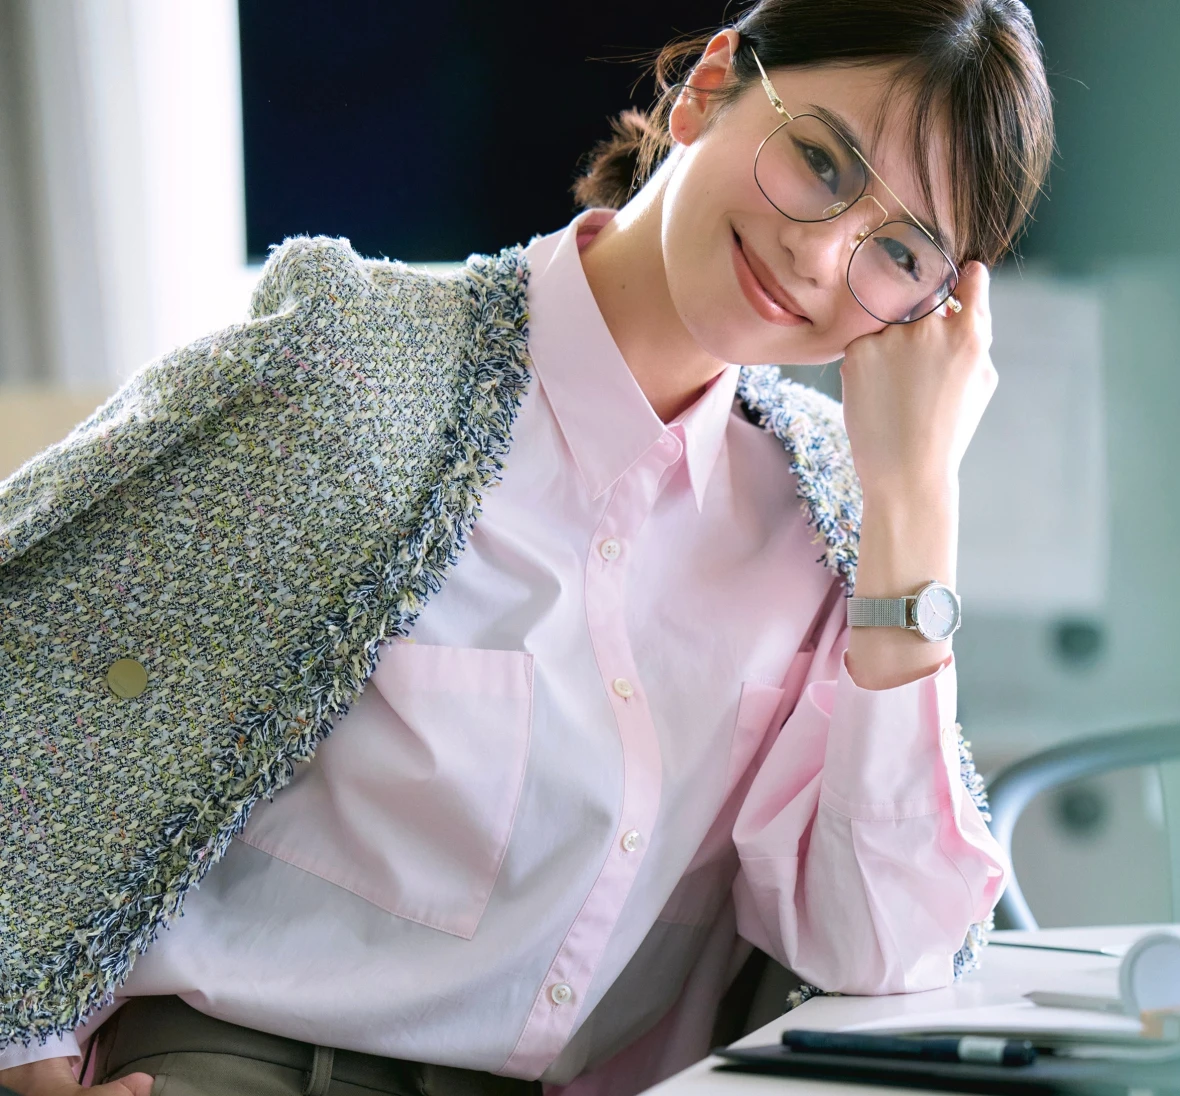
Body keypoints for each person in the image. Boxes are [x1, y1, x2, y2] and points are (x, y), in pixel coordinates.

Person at [0, 1, 1053, 1094]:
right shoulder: (354, 369)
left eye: (898, 251)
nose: (821, 255)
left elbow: (886, 953)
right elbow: (36, 643)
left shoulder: (827, 519)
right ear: (707, 88)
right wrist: (18, 1035)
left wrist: (915, 501)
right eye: (820, 162)